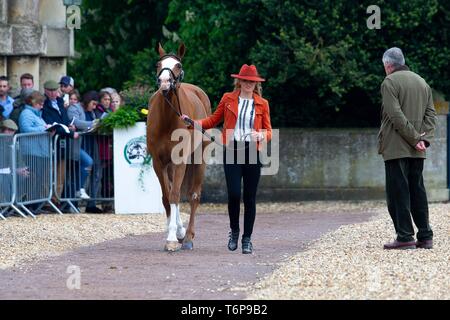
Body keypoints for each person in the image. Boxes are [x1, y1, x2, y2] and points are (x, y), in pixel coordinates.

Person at [181, 64, 272, 254]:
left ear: (256, 84)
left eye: (252, 82)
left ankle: (247, 239)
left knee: (249, 198)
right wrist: (193, 122)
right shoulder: (228, 99)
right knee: (233, 194)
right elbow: (213, 120)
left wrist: (262, 135)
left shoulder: (262, 103)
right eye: (245, 80)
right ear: (239, 81)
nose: (248, 84)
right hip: (232, 150)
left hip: (252, 153)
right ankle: (234, 231)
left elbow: (268, 130)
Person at [378, 48, 437, 250]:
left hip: (396, 146)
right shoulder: (422, 82)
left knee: (398, 192)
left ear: (387, 65)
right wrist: (423, 139)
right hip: (418, 147)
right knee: (417, 190)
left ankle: (404, 236)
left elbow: (395, 115)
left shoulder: (389, 83)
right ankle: (425, 235)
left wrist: (413, 138)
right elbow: (431, 115)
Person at [42, 80, 80, 206]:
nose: (53, 93)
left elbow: (63, 119)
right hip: (52, 142)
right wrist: (69, 133)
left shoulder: (60, 102)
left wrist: (69, 125)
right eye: (50, 91)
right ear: (46, 91)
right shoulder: (45, 105)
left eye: (55, 90)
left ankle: (56, 200)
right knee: (49, 173)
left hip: (62, 142)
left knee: (60, 173)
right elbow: (53, 124)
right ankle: (47, 201)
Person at [67, 90, 95, 200]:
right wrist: (94, 123)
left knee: (76, 172)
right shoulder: (74, 108)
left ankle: (76, 194)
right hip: (73, 145)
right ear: (88, 101)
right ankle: (79, 189)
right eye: (93, 103)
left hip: (83, 144)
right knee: (88, 161)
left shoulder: (90, 111)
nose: (94, 107)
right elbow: (76, 123)